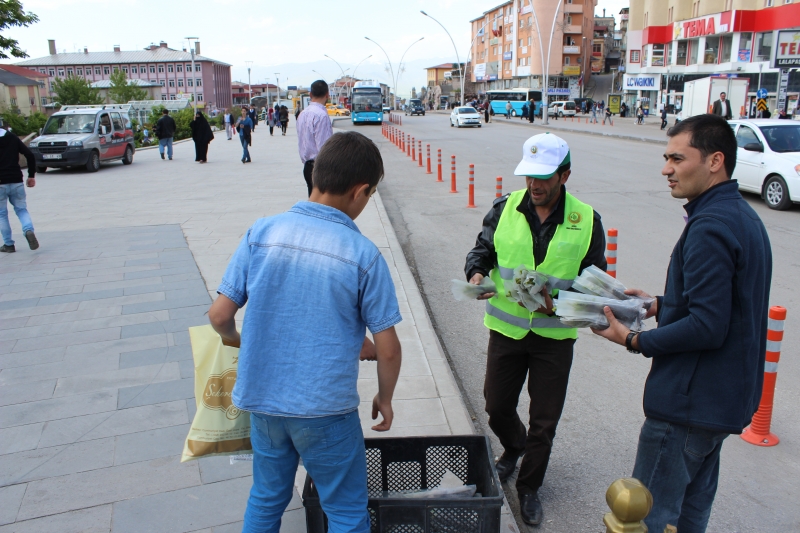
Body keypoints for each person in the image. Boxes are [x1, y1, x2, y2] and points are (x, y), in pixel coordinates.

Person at [208, 131, 402, 533]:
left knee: (266, 499)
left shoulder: (261, 233)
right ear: (361, 192)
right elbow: (388, 350)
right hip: (325, 410)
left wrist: (240, 345)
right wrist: (384, 398)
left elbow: (219, 315)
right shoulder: (363, 255)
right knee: (346, 512)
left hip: (264, 404)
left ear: (315, 173)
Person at [592, 114, 772, 533]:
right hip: (720, 403)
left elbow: (709, 325)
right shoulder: (740, 216)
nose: (665, 169)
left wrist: (634, 339)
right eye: (665, 157)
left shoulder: (710, 226)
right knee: (690, 514)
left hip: (688, 408)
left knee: (644, 516)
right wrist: (660, 303)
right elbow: (729, 303)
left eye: (677, 158)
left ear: (714, 161)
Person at [464, 133, 607, 526]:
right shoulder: (504, 208)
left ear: (565, 175)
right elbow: (481, 250)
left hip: (554, 338)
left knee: (545, 420)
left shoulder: (586, 220)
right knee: (496, 405)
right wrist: (476, 273)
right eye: (529, 176)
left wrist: (557, 304)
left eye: (543, 177)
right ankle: (514, 446)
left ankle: (529, 487)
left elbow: (595, 283)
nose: (534, 185)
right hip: (507, 332)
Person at [0, 123, 39, 253]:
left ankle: (8, 244)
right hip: (16, 180)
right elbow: (29, 154)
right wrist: (31, 175)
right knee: (21, 210)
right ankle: (28, 230)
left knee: (2, 214)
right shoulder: (12, 137)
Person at [297, 79, 334, 197]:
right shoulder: (322, 115)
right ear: (327, 95)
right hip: (320, 168)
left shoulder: (302, 114)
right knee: (323, 206)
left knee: (313, 202)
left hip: (307, 166)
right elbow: (325, 146)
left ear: (310, 94)